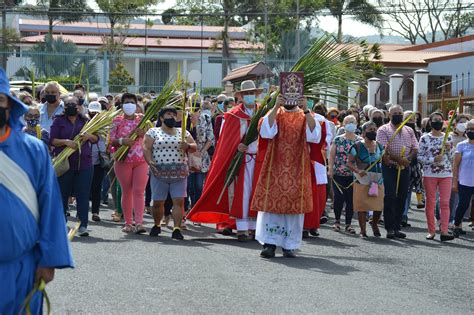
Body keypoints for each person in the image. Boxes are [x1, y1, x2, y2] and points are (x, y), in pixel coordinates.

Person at [0, 68, 74, 314]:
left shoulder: (33, 150)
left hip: (22, 268)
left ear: (9, 105)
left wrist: (49, 259)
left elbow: (51, 207)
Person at [187, 80, 262, 242]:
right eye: (246, 94)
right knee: (242, 192)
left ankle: (255, 227)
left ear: (256, 95)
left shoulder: (264, 113)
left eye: (252, 93)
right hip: (239, 160)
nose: (249, 96)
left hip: (259, 159)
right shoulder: (233, 115)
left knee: (256, 192)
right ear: (240, 96)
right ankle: (241, 227)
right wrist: (237, 147)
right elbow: (225, 141)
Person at [251, 95, 320, 258]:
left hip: (297, 166)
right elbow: (266, 132)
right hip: (275, 165)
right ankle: (270, 244)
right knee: (272, 207)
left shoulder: (305, 115)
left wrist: (307, 111)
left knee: (293, 207)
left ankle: (289, 244)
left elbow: (315, 136)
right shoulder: (276, 113)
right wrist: (275, 107)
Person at [143, 107, 197, 240]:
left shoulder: (182, 132)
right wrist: (150, 162)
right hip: (159, 172)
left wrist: (188, 147)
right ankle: (156, 224)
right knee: (158, 202)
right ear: (161, 118)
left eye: (174, 115)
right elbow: (146, 147)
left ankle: (177, 228)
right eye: (168, 114)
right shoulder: (153, 132)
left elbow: (194, 146)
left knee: (178, 201)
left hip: (179, 172)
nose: (172, 117)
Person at [50, 96, 98, 237]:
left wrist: (89, 136)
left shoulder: (86, 121)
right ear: (64, 107)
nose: (71, 106)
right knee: (63, 194)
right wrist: (65, 142)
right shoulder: (58, 121)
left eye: (74, 104)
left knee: (83, 195)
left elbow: (96, 139)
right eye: (68, 104)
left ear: (79, 106)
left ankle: (82, 224)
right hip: (65, 164)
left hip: (84, 164)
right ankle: (61, 223)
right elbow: (52, 140)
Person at [377, 104, 418, 239]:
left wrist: (407, 160)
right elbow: (384, 149)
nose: (398, 116)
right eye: (394, 113)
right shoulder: (383, 130)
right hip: (390, 168)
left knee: (402, 196)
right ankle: (389, 227)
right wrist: (398, 159)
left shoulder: (409, 130)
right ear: (389, 115)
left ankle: (397, 227)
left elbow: (415, 148)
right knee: (390, 196)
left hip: (405, 167)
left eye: (400, 113)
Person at [109, 93, 148, 234]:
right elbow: (110, 140)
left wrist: (143, 133)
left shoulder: (143, 120)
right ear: (122, 104)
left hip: (141, 161)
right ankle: (128, 223)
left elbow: (152, 138)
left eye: (132, 102)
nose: (129, 104)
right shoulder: (116, 121)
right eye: (127, 102)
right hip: (122, 160)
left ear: (137, 104)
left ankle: (139, 223)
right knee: (127, 191)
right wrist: (122, 141)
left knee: (139, 191)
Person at [418, 112, 455, 241]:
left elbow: (452, 158)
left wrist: (449, 149)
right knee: (430, 203)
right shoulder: (424, 138)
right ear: (430, 122)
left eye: (440, 119)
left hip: (446, 174)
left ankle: (444, 231)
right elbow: (419, 157)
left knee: (445, 203)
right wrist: (433, 159)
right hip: (429, 174)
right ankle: (431, 231)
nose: (438, 122)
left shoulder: (448, 137)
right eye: (435, 120)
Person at [348, 121, 384, 237]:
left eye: (374, 130)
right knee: (362, 205)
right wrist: (358, 171)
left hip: (378, 178)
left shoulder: (379, 146)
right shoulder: (357, 146)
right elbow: (349, 162)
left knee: (379, 205)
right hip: (362, 178)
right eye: (370, 130)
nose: (373, 132)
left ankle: (374, 223)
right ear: (363, 132)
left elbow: (386, 160)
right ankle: (363, 230)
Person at [328, 115, 361, 234]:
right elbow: (332, 155)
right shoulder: (338, 139)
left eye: (352, 122)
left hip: (353, 175)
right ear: (343, 124)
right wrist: (330, 169)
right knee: (338, 198)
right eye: (348, 122)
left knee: (351, 200)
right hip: (338, 173)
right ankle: (337, 221)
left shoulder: (359, 140)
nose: (350, 124)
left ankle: (348, 224)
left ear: (356, 124)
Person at [303, 103, 333, 237]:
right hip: (299, 159)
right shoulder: (293, 115)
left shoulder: (320, 120)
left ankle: (314, 223)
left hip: (316, 160)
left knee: (318, 194)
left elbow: (326, 140)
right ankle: (303, 224)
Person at [188, 100, 215, 208]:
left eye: (196, 110)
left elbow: (210, 138)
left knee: (199, 185)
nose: (193, 113)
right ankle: (190, 205)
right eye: (191, 110)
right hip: (188, 154)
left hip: (201, 155)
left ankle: (196, 207)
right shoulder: (186, 120)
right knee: (189, 185)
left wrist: (202, 151)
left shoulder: (206, 119)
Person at [452, 119, 474, 237]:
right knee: (463, 204)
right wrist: (454, 181)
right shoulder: (461, 145)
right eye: (469, 128)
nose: (471, 131)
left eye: (473, 129)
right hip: (465, 181)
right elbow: (455, 165)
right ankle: (456, 226)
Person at [402, 111, 425, 227]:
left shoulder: (418, 134)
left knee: (409, 190)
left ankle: (404, 215)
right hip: (401, 162)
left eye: (412, 120)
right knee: (401, 190)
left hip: (414, 164)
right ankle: (398, 213)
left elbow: (419, 148)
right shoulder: (399, 131)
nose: (410, 122)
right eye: (408, 119)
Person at [89, 102, 107, 222]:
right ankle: (82, 212)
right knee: (85, 188)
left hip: (99, 162)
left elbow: (105, 142)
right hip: (85, 161)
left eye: (96, 112)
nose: (94, 114)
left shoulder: (105, 126)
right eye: (92, 112)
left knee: (96, 188)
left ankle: (95, 212)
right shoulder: (84, 124)